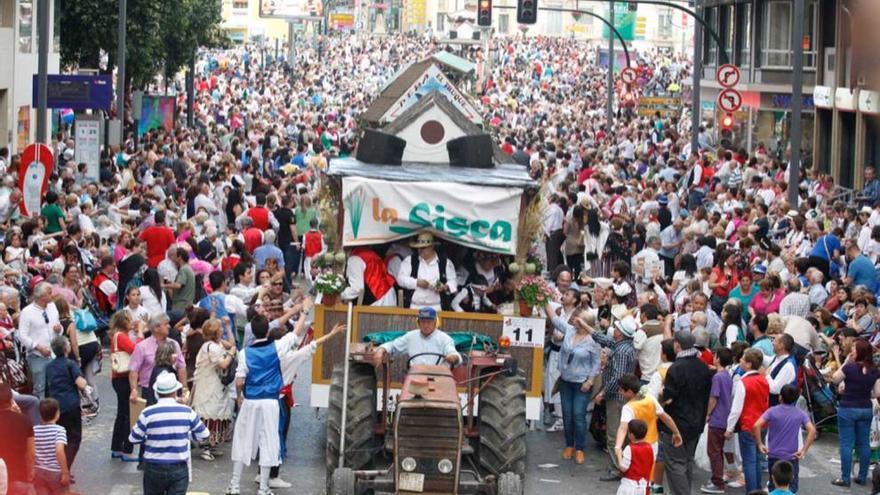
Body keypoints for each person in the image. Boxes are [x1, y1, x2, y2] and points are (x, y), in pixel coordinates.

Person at [226, 313, 345, 495]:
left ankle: (234, 485)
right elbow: (297, 334)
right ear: (267, 330)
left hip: (251, 400)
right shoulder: (278, 347)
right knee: (269, 442)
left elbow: (240, 380)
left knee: (242, 440)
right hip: (270, 401)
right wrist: (305, 312)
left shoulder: (245, 353)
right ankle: (264, 488)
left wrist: (240, 397)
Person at [129, 371, 209, 495]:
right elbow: (204, 434)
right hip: (179, 467)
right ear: (175, 391)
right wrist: (187, 436)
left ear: (157, 392)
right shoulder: (187, 412)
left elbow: (133, 438)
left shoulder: (148, 413)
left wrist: (148, 438)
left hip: (153, 467)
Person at [544, 305, 601, 464]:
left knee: (578, 415)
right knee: (567, 416)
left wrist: (590, 381)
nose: (575, 319)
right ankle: (569, 445)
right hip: (565, 381)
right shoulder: (569, 330)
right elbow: (555, 320)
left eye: (579, 318)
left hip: (582, 383)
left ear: (585, 322)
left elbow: (596, 363)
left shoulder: (593, 340)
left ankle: (580, 448)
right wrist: (544, 302)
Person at [659, 331, 713, 495]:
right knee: (687, 461)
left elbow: (668, 399)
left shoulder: (676, 368)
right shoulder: (703, 366)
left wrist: (662, 394)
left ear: (677, 345)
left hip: (676, 424)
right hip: (696, 422)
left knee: (675, 463)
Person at [592, 315, 638, 481]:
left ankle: (617, 468)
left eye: (617, 328)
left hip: (617, 398)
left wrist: (603, 393)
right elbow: (606, 341)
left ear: (621, 334)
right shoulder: (625, 347)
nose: (614, 330)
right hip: (624, 396)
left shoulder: (620, 352)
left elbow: (617, 376)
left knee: (614, 434)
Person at [831, 338, 880, 487]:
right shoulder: (875, 371)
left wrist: (846, 361)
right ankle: (862, 476)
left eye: (854, 348)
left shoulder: (850, 367)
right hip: (865, 408)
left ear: (859, 352)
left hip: (848, 407)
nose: (852, 351)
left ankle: (845, 478)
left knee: (846, 444)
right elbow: (877, 392)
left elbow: (834, 379)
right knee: (863, 443)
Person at [753, 385, 817, 494]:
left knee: (774, 486)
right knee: (791, 487)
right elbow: (812, 431)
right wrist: (803, 450)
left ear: (780, 397)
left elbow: (756, 425)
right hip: (792, 457)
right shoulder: (800, 413)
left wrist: (760, 444)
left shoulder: (772, 411)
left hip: (774, 455)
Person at [190, 319, 236, 461]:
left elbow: (232, 345)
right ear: (215, 332)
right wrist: (231, 354)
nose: (221, 329)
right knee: (208, 415)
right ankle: (205, 447)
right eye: (220, 328)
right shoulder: (210, 347)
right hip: (208, 387)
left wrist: (228, 327)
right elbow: (223, 364)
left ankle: (212, 444)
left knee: (217, 414)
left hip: (217, 387)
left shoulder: (217, 344)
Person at [725, 348, 769, 493]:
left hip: (748, 424)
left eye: (743, 359)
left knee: (749, 461)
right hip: (762, 424)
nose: (740, 361)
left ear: (749, 364)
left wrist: (729, 428)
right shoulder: (764, 380)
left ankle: (751, 490)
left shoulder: (743, 382)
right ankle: (757, 488)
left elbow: (736, 409)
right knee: (756, 458)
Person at [44, 336, 88, 473]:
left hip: (54, 405)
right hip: (70, 404)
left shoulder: (49, 366)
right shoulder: (70, 364)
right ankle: (65, 468)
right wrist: (85, 384)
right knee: (74, 438)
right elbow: (81, 383)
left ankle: (59, 468)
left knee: (59, 438)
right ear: (65, 348)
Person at [18, 283, 63, 399]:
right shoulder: (27, 312)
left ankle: (55, 414)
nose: (52, 295)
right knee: (40, 388)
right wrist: (37, 347)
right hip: (37, 355)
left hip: (54, 354)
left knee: (56, 385)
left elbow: (59, 327)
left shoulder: (52, 307)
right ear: (41, 296)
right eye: (49, 293)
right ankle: (40, 415)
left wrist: (59, 329)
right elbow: (22, 335)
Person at [373, 308, 461, 366]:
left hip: (439, 377)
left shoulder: (445, 339)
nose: (426, 325)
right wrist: (381, 350)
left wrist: (453, 357)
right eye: (423, 322)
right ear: (418, 323)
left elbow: (453, 354)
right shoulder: (411, 336)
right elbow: (393, 346)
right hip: (415, 376)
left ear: (435, 322)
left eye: (429, 322)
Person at [109, 311, 142, 462]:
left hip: (118, 378)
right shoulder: (121, 336)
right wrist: (140, 333)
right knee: (128, 415)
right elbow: (137, 350)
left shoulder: (118, 335)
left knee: (121, 414)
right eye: (130, 320)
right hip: (123, 378)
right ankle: (126, 450)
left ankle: (116, 447)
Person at [701, 348, 734, 494]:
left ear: (718, 359)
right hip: (725, 416)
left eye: (715, 356)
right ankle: (717, 477)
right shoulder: (726, 375)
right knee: (718, 450)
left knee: (713, 451)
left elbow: (714, 397)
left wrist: (707, 414)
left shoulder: (717, 377)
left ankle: (717, 481)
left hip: (717, 418)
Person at [396, 232, 457, 311]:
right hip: (414, 307)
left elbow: (453, 281)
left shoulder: (445, 262)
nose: (420, 250)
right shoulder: (410, 260)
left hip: (436, 307)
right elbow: (400, 279)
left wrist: (444, 287)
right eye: (418, 248)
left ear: (431, 247)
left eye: (423, 248)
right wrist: (417, 282)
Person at [0, 382, 36, 495]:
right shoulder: (24, 420)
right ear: (11, 399)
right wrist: (31, 470)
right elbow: (31, 452)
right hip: (20, 475)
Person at [33, 399, 70, 495]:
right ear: (57, 414)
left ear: (40, 414)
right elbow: (59, 451)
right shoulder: (59, 430)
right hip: (55, 471)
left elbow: (31, 451)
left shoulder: (34, 430)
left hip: (38, 470)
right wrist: (65, 472)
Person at [616, 419, 655, 495]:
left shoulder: (629, 448)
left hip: (630, 486)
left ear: (632, 435)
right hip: (645, 485)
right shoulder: (650, 447)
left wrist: (618, 454)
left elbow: (623, 468)